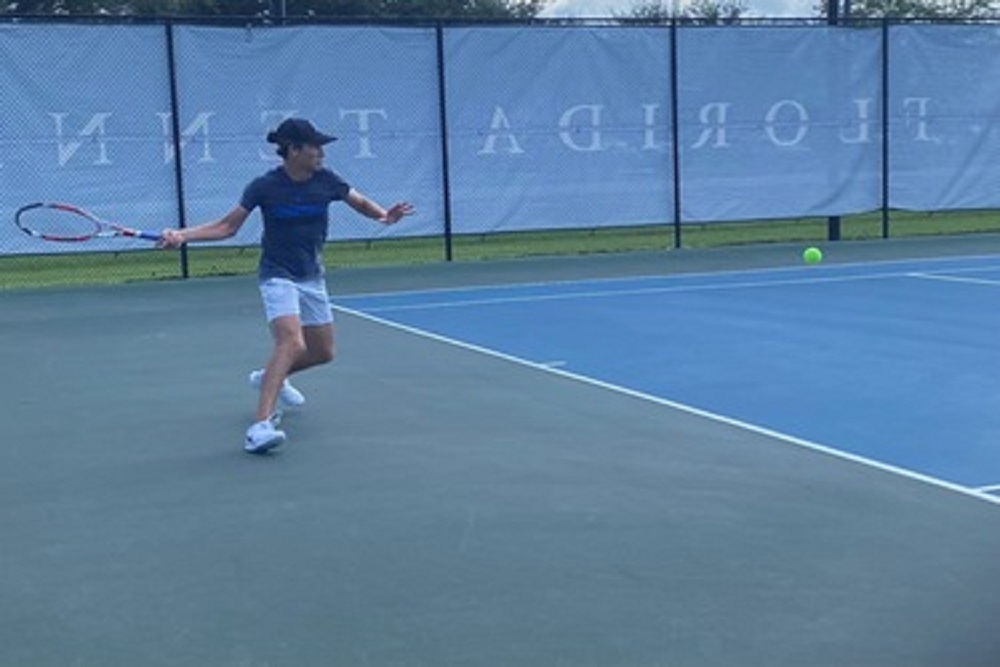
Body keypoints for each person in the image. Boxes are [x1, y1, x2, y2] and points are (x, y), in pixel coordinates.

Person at [159, 118, 413, 454]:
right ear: (293, 150)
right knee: (291, 341)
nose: (321, 153)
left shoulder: (327, 181)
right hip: (277, 274)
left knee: (324, 353)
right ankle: (260, 426)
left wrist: (384, 215)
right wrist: (182, 235)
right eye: (314, 147)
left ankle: (268, 376)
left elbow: (360, 202)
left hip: (311, 275)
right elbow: (226, 227)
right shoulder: (265, 186)